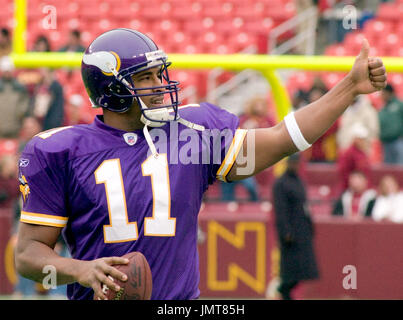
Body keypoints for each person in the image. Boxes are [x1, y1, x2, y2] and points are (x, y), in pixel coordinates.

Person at [14, 28, 387, 300]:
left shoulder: (190, 131)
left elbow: (280, 139)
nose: (160, 85)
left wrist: (349, 89)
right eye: (145, 78)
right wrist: (81, 270)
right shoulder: (60, 152)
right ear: (111, 89)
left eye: (160, 74)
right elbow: (29, 255)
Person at [272, 153, 319, 300]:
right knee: (291, 272)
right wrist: (285, 231)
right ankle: (281, 291)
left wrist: (310, 226)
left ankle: (283, 292)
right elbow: (280, 210)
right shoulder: (281, 183)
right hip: (291, 234)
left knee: (302, 271)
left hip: (302, 231)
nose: (295, 165)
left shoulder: (299, 181)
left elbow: (305, 207)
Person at [337, 122, 372, 193]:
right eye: (361, 139)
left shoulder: (362, 152)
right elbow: (343, 172)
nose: (364, 141)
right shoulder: (348, 153)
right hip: (351, 190)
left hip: (363, 190)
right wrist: (353, 184)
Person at [0, 57, 30, 138]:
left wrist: (20, 113)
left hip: (15, 127)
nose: (7, 73)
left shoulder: (19, 87)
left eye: (8, 71)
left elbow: (25, 103)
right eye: (5, 71)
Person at [378, 84, 403, 164]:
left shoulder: (399, 105)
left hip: (398, 141)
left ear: (389, 93)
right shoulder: (383, 108)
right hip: (386, 142)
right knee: (388, 168)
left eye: (383, 93)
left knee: (399, 166)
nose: (381, 95)